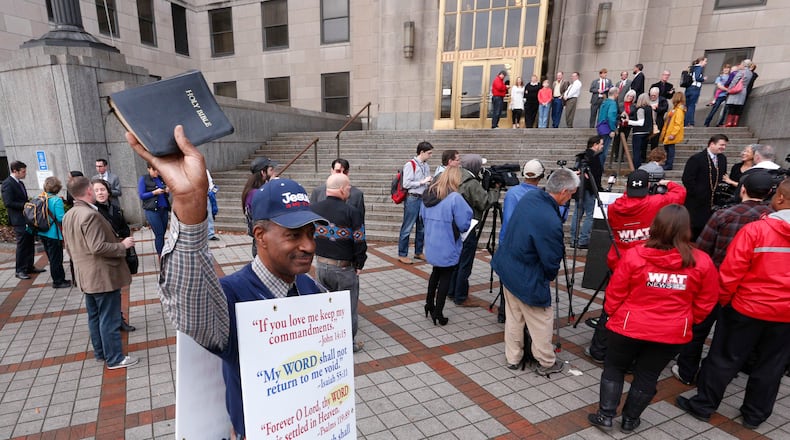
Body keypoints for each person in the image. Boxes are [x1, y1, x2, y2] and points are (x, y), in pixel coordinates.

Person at [126, 125, 328, 438]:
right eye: (293, 235)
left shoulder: (310, 288)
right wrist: (192, 210)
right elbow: (188, 297)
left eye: (311, 233)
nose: (309, 246)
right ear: (259, 235)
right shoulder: (230, 297)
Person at [588, 204, 718, 433]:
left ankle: (606, 414)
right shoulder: (701, 262)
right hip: (671, 332)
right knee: (648, 375)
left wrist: (613, 315)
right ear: (687, 229)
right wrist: (688, 320)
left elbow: (615, 292)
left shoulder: (635, 255)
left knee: (614, 368)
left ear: (655, 226)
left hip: (628, 326)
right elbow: (706, 301)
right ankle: (630, 419)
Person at [677, 178, 790, 430]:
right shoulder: (759, 228)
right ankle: (755, 414)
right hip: (785, 315)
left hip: (747, 307)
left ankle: (704, 404)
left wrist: (725, 301)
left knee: (724, 357)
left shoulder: (756, 231)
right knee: (772, 365)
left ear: (780, 198)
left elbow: (731, 271)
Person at [672, 171, 774, 386]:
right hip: (749, 290)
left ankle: (687, 370)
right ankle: (714, 376)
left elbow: (701, 250)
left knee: (698, 329)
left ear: (743, 189)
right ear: (770, 193)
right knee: (728, 337)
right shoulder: (771, 219)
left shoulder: (724, 215)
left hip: (715, 282)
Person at [585, 170, 687, 364]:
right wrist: (667, 183)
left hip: (620, 261)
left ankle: (599, 348)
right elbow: (680, 194)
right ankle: (630, 357)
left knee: (611, 305)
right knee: (639, 308)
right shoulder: (656, 202)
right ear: (648, 186)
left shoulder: (616, 207)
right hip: (646, 264)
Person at [491, 168, 579, 376]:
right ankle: (546, 361)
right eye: (572, 194)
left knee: (514, 316)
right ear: (564, 191)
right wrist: (547, 277)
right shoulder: (550, 219)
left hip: (508, 266)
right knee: (541, 319)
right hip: (527, 274)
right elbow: (551, 260)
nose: (571, 198)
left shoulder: (531, 197)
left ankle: (513, 357)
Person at [63, 176, 137, 370]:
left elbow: (69, 248)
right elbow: (97, 247)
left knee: (95, 316)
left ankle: (101, 353)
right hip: (102, 277)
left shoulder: (70, 214)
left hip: (86, 276)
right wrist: (122, 245)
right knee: (109, 319)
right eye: (93, 189)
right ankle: (114, 358)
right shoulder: (90, 215)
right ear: (88, 190)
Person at [310, 173, 366, 352]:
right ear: (342, 189)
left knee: (326, 307)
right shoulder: (352, 212)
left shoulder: (313, 209)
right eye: (349, 187)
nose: (350, 190)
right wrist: (359, 264)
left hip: (320, 266)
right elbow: (359, 240)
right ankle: (348, 344)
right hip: (344, 268)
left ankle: (327, 341)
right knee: (347, 308)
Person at [420, 167, 473, 326]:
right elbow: (464, 223)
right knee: (446, 276)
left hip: (432, 241)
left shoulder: (429, 194)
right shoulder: (454, 197)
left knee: (436, 271)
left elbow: (421, 217)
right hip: (447, 241)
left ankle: (429, 304)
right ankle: (438, 312)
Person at [448, 154, 498, 306]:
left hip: (454, 225)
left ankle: (451, 291)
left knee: (456, 261)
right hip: (468, 226)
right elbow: (484, 202)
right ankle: (461, 296)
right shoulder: (471, 183)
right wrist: (494, 190)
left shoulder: (456, 177)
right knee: (465, 263)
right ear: (475, 167)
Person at [92, 178, 136, 332]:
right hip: (106, 253)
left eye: (102, 189)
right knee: (110, 291)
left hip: (119, 250)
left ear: (108, 191)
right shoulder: (93, 211)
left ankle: (119, 319)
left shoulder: (115, 207)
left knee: (118, 287)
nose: (100, 193)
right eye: (96, 190)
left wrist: (125, 241)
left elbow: (124, 227)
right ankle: (113, 321)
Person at [2, 161, 45, 279]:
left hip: (27, 218)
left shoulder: (20, 183)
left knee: (30, 242)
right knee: (22, 245)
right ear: (15, 171)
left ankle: (29, 266)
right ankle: (20, 270)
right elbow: (8, 203)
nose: (25, 174)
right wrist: (26, 205)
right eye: (23, 171)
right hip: (18, 220)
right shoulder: (7, 184)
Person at [682, 134, 728, 240]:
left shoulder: (722, 158)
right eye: (721, 145)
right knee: (694, 227)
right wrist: (698, 192)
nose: (723, 148)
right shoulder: (696, 158)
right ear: (712, 144)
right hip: (697, 200)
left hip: (713, 200)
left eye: (725, 145)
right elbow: (687, 179)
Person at [397, 141, 433, 264]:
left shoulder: (426, 165)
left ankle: (418, 252)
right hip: (412, 198)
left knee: (421, 227)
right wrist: (422, 182)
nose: (430, 155)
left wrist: (428, 182)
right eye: (429, 153)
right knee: (407, 227)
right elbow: (406, 183)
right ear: (421, 152)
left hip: (423, 197)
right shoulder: (410, 164)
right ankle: (402, 254)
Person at [570, 136, 604, 249]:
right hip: (589, 190)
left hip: (579, 188)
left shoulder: (581, 156)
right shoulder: (593, 158)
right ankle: (583, 240)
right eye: (601, 144)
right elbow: (595, 176)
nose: (602, 147)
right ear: (595, 144)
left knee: (577, 214)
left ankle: (573, 239)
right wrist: (598, 189)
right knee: (590, 214)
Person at [242, 156, 278, 257]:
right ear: (263, 172)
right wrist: (272, 186)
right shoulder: (255, 194)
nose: (274, 173)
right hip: (264, 242)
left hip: (262, 240)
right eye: (271, 170)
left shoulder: (253, 191)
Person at [38, 176, 70, 289]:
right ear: (57, 188)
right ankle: (58, 281)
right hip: (53, 234)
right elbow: (61, 218)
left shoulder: (41, 197)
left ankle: (58, 278)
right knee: (56, 258)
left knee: (52, 258)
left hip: (42, 232)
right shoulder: (56, 200)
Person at [138, 163, 170, 256]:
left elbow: (165, 194)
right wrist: (154, 192)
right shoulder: (144, 179)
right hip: (152, 210)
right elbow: (141, 195)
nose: (156, 172)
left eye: (158, 170)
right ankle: (161, 256)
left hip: (163, 209)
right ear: (149, 169)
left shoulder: (160, 178)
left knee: (162, 233)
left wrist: (166, 191)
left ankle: (163, 252)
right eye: (154, 170)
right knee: (159, 234)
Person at [623, 93, 654, 169]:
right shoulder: (649, 108)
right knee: (641, 151)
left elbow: (640, 122)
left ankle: (636, 168)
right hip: (647, 132)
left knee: (636, 152)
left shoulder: (640, 109)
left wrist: (628, 121)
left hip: (639, 132)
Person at [658, 92, 686, 170]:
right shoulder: (675, 109)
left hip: (671, 133)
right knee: (667, 149)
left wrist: (673, 134)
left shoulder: (679, 110)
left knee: (670, 150)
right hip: (668, 131)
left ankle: (669, 165)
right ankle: (667, 163)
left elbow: (678, 123)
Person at [724, 59, 753, 127]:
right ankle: (735, 122)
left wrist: (729, 89)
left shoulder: (741, 72)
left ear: (744, 64)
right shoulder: (750, 73)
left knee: (732, 106)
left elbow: (734, 81)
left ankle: (729, 122)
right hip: (743, 90)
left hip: (736, 90)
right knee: (738, 107)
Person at [597, 88, 619, 167]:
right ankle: (600, 167)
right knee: (604, 149)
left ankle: (598, 166)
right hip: (607, 128)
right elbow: (611, 116)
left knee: (600, 148)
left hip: (600, 127)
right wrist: (613, 129)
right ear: (615, 94)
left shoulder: (604, 102)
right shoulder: (612, 103)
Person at [684, 57, 707, 127]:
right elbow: (697, 77)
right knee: (692, 105)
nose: (706, 63)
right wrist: (703, 79)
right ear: (701, 61)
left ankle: (685, 122)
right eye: (705, 61)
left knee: (687, 106)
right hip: (695, 88)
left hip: (688, 88)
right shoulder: (699, 68)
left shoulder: (692, 68)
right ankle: (690, 122)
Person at [206, 169, 219, 241]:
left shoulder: (205, 171)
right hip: (197, 196)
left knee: (209, 215)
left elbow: (210, 182)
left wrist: (212, 190)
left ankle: (210, 234)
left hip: (207, 195)